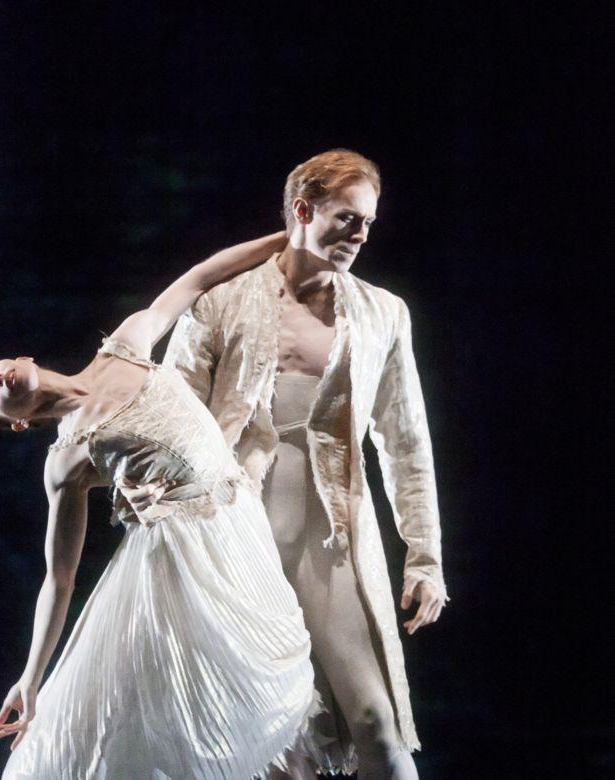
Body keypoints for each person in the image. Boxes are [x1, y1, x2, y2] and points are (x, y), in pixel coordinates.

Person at [0, 232, 321, 780]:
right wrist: (30, 678)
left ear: (22, 358)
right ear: (16, 422)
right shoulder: (66, 461)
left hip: (237, 526)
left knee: (271, 685)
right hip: (178, 562)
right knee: (201, 712)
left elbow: (201, 276)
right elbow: (59, 578)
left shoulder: (125, 345)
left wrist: (290, 237)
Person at [163, 149, 448, 779]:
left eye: (368, 222)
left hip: (330, 530)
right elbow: (171, 413)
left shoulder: (381, 313)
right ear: (303, 209)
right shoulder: (221, 301)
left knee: (374, 720)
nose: (361, 234)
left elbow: (406, 440)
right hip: (236, 531)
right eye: (348, 218)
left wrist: (424, 557)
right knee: (271, 736)